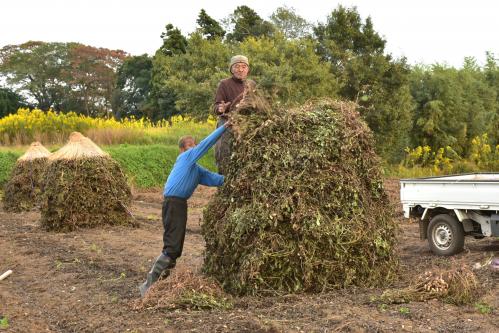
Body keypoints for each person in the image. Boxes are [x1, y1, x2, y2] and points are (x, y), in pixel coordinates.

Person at [139, 123, 229, 297]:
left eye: (193, 144)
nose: (193, 147)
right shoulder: (185, 158)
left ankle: (158, 286)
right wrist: (225, 127)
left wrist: (238, 177)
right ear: (182, 150)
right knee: (172, 247)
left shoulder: (196, 170)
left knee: (176, 248)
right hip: (172, 203)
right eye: (190, 145)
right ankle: (148, 287)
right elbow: (205, 144)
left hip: (179, 205)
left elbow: (217, 179)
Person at [213, 55, 255, 175]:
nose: (240, 69)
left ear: (248, 69)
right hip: (227, 124)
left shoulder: (251, 84)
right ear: (231, 69)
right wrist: (220, 108)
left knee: (246, 156)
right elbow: (216, 106)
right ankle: (224, 186)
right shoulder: (224, 84)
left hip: (246, 125)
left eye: (243, 66)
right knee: (225, 155)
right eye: (237, 66)